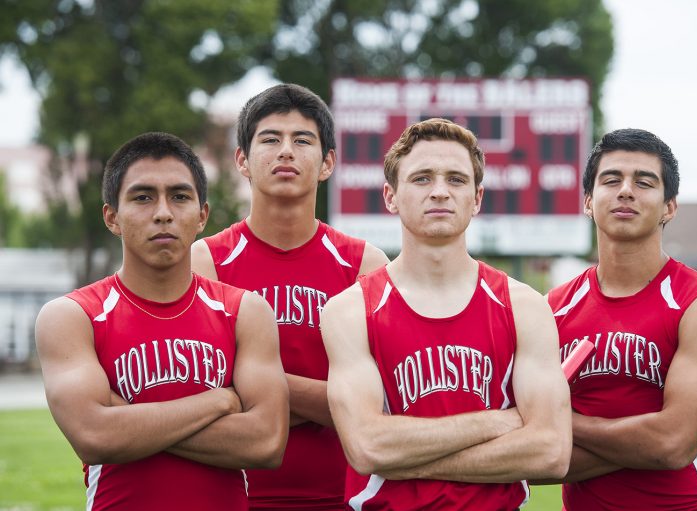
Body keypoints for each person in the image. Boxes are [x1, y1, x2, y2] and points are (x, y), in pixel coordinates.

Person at [320, 118, 572, 510]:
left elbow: (550, 451)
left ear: (477, 197)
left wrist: (407, 460)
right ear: (390, 196)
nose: (440, 192)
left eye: (456, 179)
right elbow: (368, 447)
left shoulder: (524, 307)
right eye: (422, 178)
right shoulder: (351, 310)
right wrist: (499, 421)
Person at [35, 132, 289, 511]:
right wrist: (219, 401)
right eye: (142, 197)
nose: (163, 212)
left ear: (202, 215)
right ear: (111, 217)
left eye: (180, 196)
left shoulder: (245, 312)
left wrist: (126, 420)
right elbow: (94, 436)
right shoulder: (73, 315)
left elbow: (266, 442)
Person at [192, 83, 389, 510]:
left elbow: (375, 405)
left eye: (302, 140)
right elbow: (197, 395)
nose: (286, 151)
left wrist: (255, 395)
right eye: (270, 139)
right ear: (242, 160)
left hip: (342, 496)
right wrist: (328, 399)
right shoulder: (204, 260)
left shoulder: (363, 264)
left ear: (327, 163)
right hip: (231, 494)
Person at [545, 128, 697, 510]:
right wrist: (642, 441)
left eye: (644, 182)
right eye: (611, 179)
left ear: (669, 207)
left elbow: (671, 445)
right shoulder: (551, 308)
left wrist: (559, 421)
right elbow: (530, 459)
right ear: (588, 200)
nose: (625, 191)